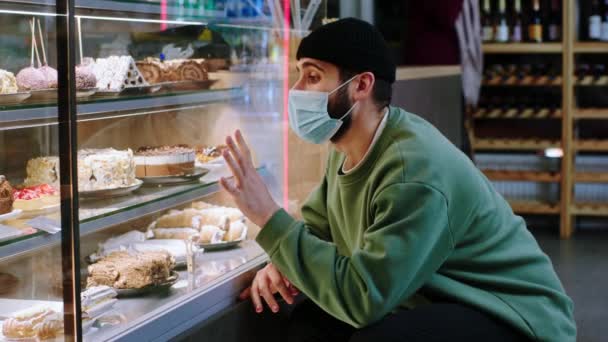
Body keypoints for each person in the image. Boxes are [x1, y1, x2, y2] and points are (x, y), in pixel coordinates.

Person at [219, 18, 576, 341]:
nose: (295, 91)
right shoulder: (348, 145)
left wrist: (268, 216)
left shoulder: (412, 171)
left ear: (361, 85)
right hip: (428, 294)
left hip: (511, 314)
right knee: (307, 327)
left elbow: (364, 299)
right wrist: (281, 261)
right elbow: (319, 226)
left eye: (312, 77)